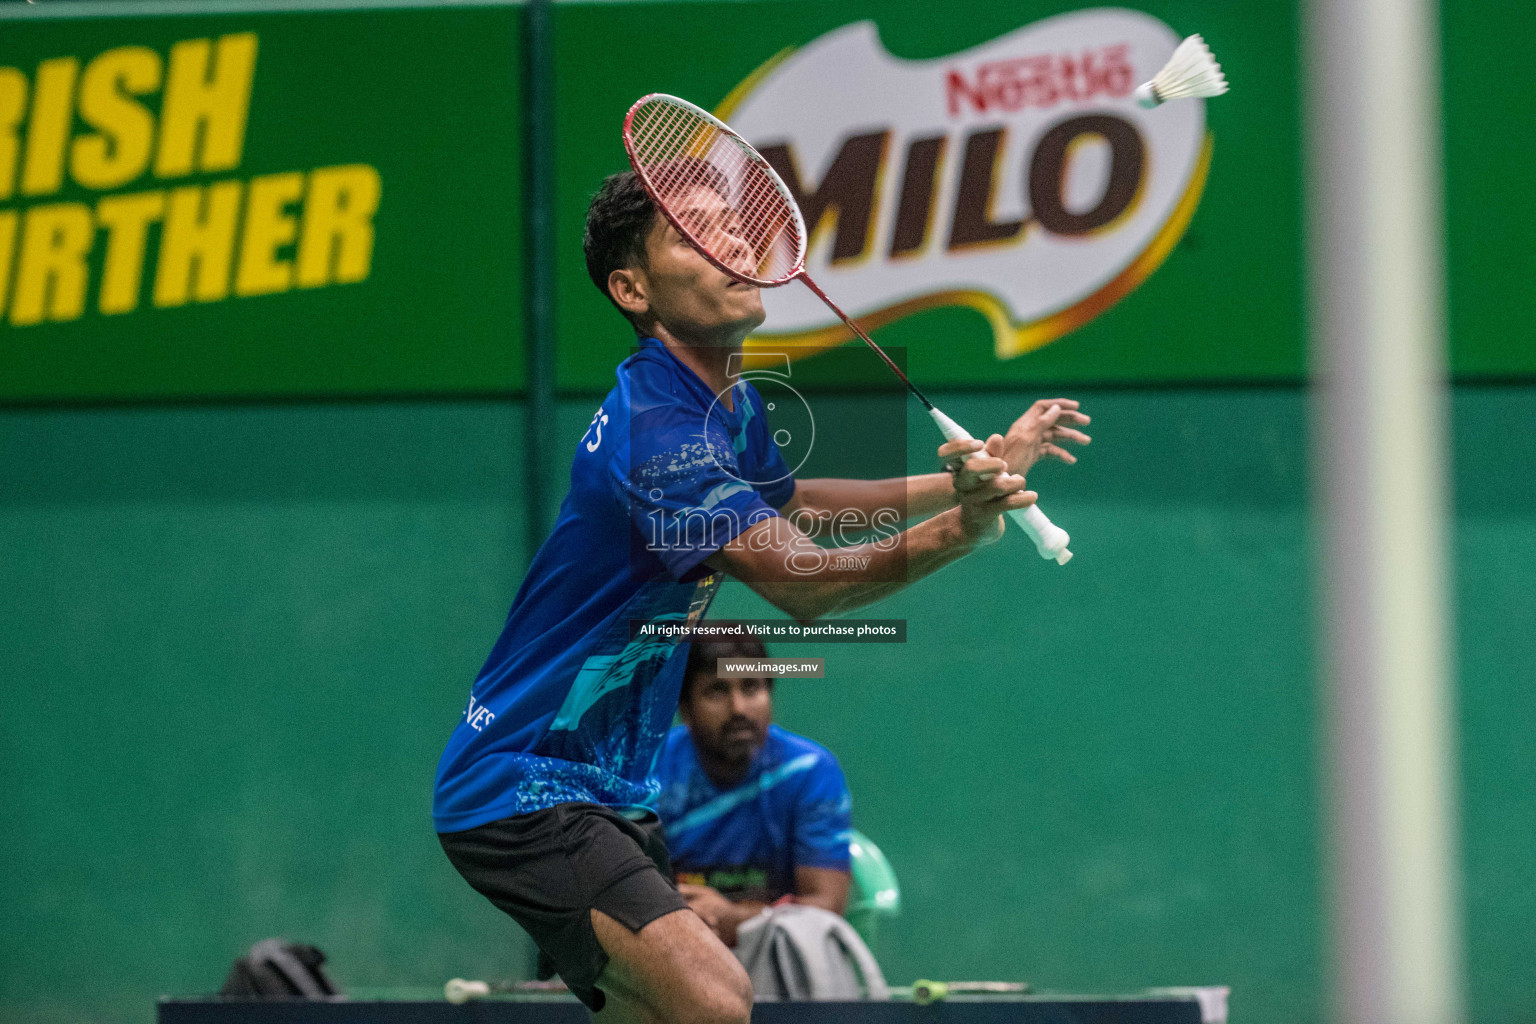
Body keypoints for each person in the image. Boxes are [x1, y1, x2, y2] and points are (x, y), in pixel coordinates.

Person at [432, 164, 1091, 1024]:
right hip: (526, 785)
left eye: (733, 223)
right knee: (715, 1000)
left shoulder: (723, 402)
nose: (734, 240)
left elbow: (794, 507)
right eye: (692, 234)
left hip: (611, 787)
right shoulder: (658, 435)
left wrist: (967, 480)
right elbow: (801, 582)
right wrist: (961, 531)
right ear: (633, 288)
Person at [655, 634, 851, 948]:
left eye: (751, 687)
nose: (739, 708)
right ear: (684, 708)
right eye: (717, 690)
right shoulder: (651, 772)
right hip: (673, 950)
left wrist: (731, 917)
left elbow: (825, 909)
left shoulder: (809, 771)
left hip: (779, 957)